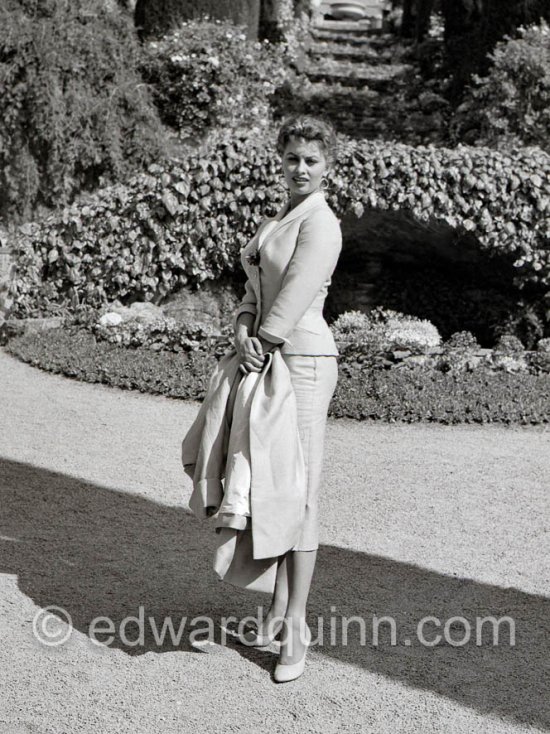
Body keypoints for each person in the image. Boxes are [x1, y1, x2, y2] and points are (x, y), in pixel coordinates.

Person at [232, 114, 342, 683]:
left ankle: (296, 625)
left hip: (302, 361)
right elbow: (256, 286)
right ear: (281, 158)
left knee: (299, 491)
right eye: (293, 157)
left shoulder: (322, 223)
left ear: (328, 167)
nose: (300, 168)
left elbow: (298, 291)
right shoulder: (279, 216)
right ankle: (276, 609)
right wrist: (244, 326)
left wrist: (263, 340)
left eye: (311, 160)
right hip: (270, 353)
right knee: (275, 484)